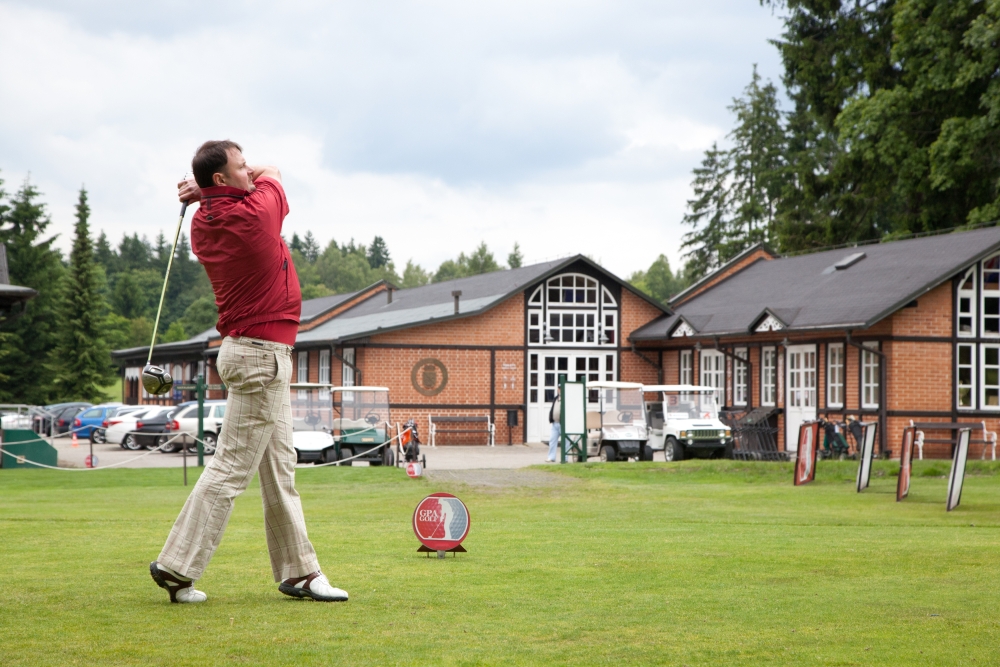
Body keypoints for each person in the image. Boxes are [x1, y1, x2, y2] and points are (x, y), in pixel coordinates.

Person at [149, 140, 347, 604]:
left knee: (280, 469)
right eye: (240, 166)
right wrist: (207, 187)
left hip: (251, 352)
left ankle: (301, 572)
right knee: (231, 468)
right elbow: (272, 169)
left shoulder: (203, 222)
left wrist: (203, 192)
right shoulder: (255, 214)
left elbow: (244, 180)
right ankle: (177, 566)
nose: (248, 171)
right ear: (221, 179)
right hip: (261, 357)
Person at [547, 390, 561, 462]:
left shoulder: (566, 398)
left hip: (563, 424)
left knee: (566, 442)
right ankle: (551, 457)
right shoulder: (556, 398)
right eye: (559, 388)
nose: (560, 390)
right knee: (552, 441)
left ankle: (565, 458)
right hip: (555, 423)